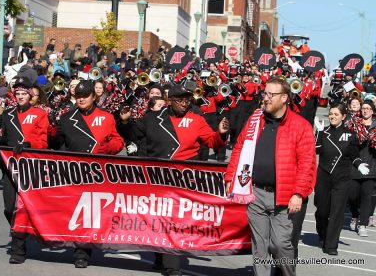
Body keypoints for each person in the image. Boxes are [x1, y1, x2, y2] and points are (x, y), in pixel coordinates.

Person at [133, 84, 229, 276]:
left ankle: (172, 266)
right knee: (158, 219)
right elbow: (133, 133)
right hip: (158, 175)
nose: (185, 104)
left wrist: (221, 133)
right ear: (170, 101)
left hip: (183, 176)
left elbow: (212, 141)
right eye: (180, 100)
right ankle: (160, 257)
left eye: (187, 100)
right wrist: (125, 121)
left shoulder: (196, 119)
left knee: (174, 219)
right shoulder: (153, 117)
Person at [225, 76, 316, 276]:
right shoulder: (255, 119)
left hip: (283, 196)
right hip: (255, 192)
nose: (265, 98)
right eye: (264, 93)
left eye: (270, 94)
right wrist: (231, 177)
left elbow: (307, 163)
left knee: (280, 245)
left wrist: (299, 193)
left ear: (284, 98)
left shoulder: (300, 126)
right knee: (260, 247)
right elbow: (240, 148)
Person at [54, 80, 125, 269]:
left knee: (91, 213)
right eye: (78, 96)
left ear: (94, 97)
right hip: (74, 171)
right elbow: (56, 143)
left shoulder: (106, 117)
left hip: (98, 172)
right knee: (76, 212)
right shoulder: (67, 118)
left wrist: (107, 148)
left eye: (85, 96)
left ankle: (82, 253)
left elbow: (118, 142)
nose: (81, 99)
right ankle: (80, 246)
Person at [0, 76, 49, 264]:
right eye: (17, 93)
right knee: (9, 208)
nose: (19, 97)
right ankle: (21, 233)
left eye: (23, 93)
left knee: (23, 209)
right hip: (10, 167)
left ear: (30, 95)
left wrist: (28, 143)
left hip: (29, 167)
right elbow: (3, 139)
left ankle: (18, 249)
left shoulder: (39, 114)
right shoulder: (8, 114)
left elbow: (43, 142)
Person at [314, 103, 367, 255]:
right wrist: (318, 132)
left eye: (336, 114)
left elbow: (354, 156)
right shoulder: (324, 132)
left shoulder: (350, 135)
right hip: (324, 175)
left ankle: (331, 245)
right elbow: (316, 150)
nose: (332, 117)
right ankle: (323, 234)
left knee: (337, 211)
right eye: (331, 114)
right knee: (322, 210)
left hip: (342, 177)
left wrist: (359, 165)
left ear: (343, 117)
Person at [347, 101, 376, 237]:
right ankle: (354, 215)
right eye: (363, 108)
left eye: (368, 109)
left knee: (366, 196)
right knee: (352, 195)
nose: (365, 111)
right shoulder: (353, 125)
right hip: (355, 166)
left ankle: (363, 224)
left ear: (372, 111)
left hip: (371, 167)